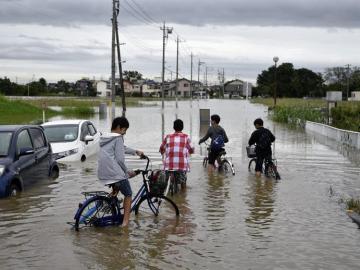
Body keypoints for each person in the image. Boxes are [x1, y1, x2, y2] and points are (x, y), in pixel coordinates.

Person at [97, 116, 144, 227]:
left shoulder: (106, 137)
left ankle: (109, 203)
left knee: (117, 188)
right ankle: (125, 223)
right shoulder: (118, 138)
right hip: (114, 173)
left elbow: (122, 148)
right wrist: (126, 171)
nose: (125, 133)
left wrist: (135, 151)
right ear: (119, 127)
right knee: (128, 194)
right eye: (124, 130)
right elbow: (119, 159)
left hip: (102, 173)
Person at [159, 119, 194, 190]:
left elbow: (161, 148)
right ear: (182, 127)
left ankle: (168, 190)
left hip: (169, 165)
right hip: (181, 165)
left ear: (173, 127)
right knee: (183, 183)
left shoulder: (168, 137)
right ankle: (183, 197)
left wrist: (163, 152)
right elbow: (192, 149)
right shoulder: (186, 137)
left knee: (167, 184)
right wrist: (189, 152)